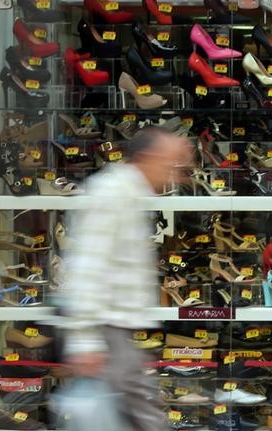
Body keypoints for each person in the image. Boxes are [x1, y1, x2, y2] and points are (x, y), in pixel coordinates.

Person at [61, 126, 192, 431]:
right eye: (168, 163)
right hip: (108, 334)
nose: (172, 174)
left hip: (118, 334)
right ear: (147, 158)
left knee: (137, 418)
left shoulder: (130, 193)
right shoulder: (111, 193)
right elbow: (88, 266)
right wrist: (85, 339)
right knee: (142, 420)